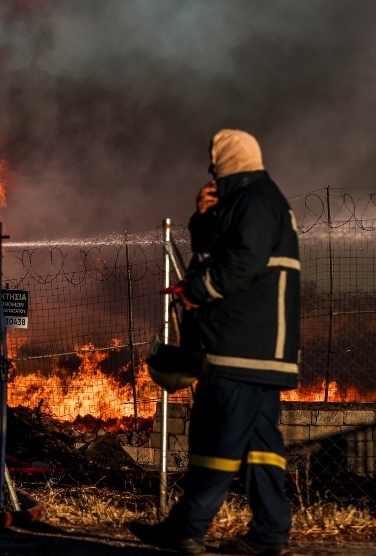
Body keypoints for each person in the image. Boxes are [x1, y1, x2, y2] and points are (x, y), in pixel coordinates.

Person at [129, 129, 300, 556]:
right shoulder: (249, 201)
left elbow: (242, 262)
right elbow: (217, 251)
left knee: (215, 440)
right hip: (257, 352)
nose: (211, 177)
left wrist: (196, 291)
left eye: (214, 167)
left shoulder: (256, 200)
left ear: (227, 164)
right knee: (261, 446)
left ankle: (187, 529)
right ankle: (271, 532)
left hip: (238, 347)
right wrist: (202, 219)